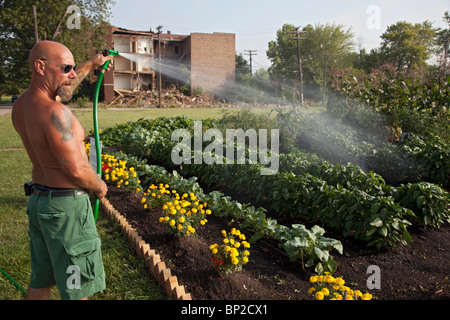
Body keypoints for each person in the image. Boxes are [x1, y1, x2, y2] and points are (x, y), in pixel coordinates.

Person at [12, 40, 113, 300]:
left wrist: (92, 64)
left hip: (40, 204)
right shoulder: (56, 112)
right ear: (40, 66)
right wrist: (100, 185)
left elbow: (63, 87)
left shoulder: (22, 105)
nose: (72, 74)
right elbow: (77, 169)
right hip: (66, 213)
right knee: (78, 290)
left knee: (40, 281)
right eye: (66, 67)